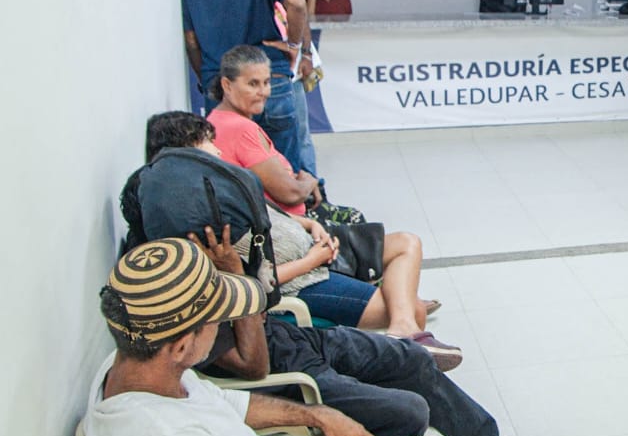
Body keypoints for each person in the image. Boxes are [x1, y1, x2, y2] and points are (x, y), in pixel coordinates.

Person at [121, 130, 579, 436]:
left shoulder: (189, 253)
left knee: (414, 360)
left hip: (294, 336)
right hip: (281, 372)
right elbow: (253, 366)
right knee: (411, 410)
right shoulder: (171, 292)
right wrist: (236, 281)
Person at [82, 237, 590, 436]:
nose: (225, 327)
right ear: (180, 343)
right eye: (217, 320)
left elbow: (230, 403)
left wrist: (318, 417)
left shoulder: (131, 368)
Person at [131, 110, 449, 354]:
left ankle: (402, 327)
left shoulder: (216, 187)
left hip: (316, 250)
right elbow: (253, 283)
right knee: (413, 307)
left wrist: (311, 225)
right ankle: (406, 329)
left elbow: (270, 216)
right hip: (304, 280)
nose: (217, 151)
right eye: (207, 144)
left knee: (407, 242)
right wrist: (314, 259)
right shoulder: (199, 219)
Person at [182, 0, 311, 172]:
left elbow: (191, 40)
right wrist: (292, 44)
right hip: (269, 78)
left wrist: (206, 76)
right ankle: (293, 214)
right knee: (285, 167)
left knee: (232, 172)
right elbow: (297, 3)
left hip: (222, 84)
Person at [240, 0, 320, 179]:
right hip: (246, 66)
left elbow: (298, 8)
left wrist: (303, 52)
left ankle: (312, 192)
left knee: (298, 132)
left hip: (284, 62)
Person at [207, 44, 324, 215]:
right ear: (227, 85)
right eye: (253, 84)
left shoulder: (216, 118)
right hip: (281, 229)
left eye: (266, 82)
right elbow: (291, 193)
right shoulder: (241, 129)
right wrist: (310, 182)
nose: (263, 92)